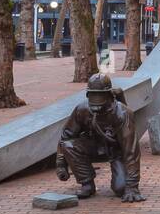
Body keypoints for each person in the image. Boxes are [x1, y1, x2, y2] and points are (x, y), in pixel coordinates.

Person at [56, 73, 145, 202]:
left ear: (109, 95)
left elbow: (131, 151)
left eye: (99, 95)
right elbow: (66, 136)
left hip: (116, 152)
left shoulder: (122, 114)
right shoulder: (82, 109)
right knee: (69, 145)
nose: (96, 100)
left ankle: (125, 182)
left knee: (121, 189)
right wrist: (60, 164)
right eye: (92, 95)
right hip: (94, 147)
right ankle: (87, 184)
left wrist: (132, 185)